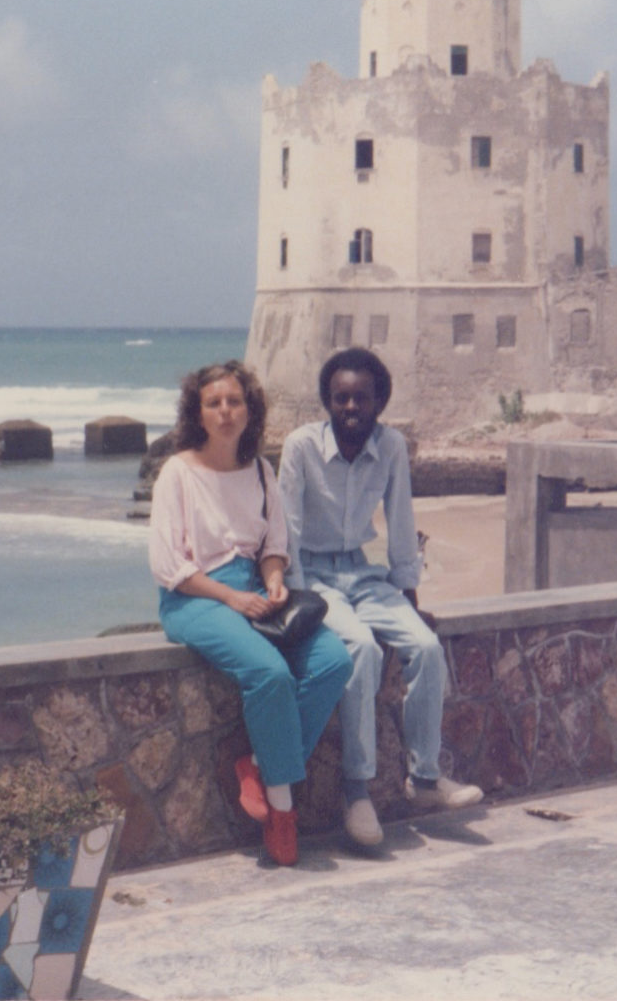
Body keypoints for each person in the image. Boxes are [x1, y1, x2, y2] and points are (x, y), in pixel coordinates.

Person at [149, 361, 351, 867]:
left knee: (333, 661)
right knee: (269, 673)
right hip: (196, 598)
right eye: (214, 402)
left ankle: (258, 763)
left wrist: (276, 579)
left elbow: (274, 545)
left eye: (234, 401)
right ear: (198, 412)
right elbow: (168, 566)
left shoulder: (262, 470)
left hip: (259, 594)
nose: (225, 411)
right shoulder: (177, 472)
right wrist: (231, 598)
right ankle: (282, 812)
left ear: (249, 409)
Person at [279, 347, 483, 848]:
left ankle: (427, 778)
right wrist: (298, 601)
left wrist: (408, 596)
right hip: (315, 577)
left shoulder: (390, 446)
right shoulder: (300, 446)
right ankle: (357, 790)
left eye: (361, 398)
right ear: (328, 401)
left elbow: (401, 521)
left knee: (426, 646)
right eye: (341, 398)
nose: (351, 407)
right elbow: (287, 531)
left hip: (363, 573)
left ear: (378, 402)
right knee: (363, 651)